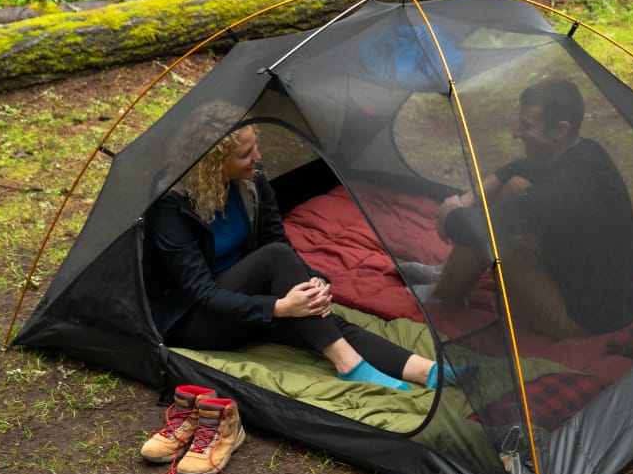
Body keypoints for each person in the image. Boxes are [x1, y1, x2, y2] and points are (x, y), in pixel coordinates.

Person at [144, 121, 448, 391]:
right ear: (213, 163)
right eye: (245, 154)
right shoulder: (172, 205)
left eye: (255, 146)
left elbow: (277, 239)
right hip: (199, 321)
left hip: (249, 301)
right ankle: (349, 367)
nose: (258, 157)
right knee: (282, 274)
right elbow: (203, 293)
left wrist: (314, 279)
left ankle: (429, 371)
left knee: (320, 319)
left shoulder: (250, 181)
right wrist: (279, 307)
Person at [403, 78, 633, 339]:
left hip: (582, 317)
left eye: (526, 125)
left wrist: (451, 213)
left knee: (495, 237)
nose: (516, 132)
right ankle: (451, 273)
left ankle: (444, 295)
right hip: (580, 273)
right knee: (515, 186)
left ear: (560, 130)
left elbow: (480, 231)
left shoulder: (564, 190)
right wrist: (465, 200)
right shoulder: (585, 151)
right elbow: (518, 168)